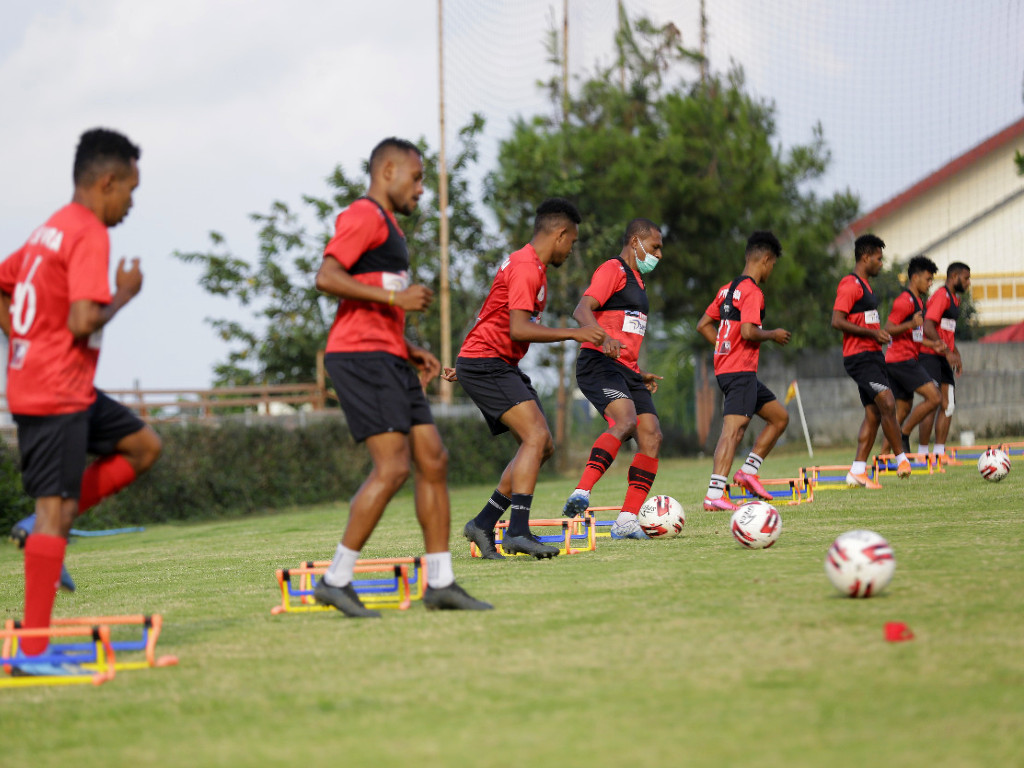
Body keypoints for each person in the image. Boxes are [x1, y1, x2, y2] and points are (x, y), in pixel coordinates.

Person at [0, 128, 163, 675]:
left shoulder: (51, 228)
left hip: (63, 385)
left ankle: (34, 528)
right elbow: (82, 319)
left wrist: (23, 340)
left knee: (143, 446)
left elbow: (4, 283)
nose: (131, 204)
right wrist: (125, 293)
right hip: (53, 390)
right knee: (56, 513)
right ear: (107, 181)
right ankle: (33, 650)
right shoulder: (89, 232)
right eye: (131, 192)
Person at [314, 137, 491, 616]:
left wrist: (410, 347)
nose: (420, 189)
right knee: (392, 469)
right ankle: (335, 578)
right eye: (416, 179)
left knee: (433, 458)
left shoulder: (390, 227)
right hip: (360, 358)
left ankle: (441, 582)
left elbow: (370, 294)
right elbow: (327, 276)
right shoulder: (364, 215)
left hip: (387, 354)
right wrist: (398, 302)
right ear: (387, 170)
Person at [444, 198, 606, 559]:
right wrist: (574, 334)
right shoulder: (526, 267)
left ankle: (484, 523)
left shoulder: (530, 266)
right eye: (573, 241)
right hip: (488, 362)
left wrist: (466, 359)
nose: (571, 248)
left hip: (491, 361)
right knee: (535, 437)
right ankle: (517, 530)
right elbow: (518, 328)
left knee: (541, 445)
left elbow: (492, 313)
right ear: (560, 234)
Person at [561, 218, 665, 539]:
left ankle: (626, 521)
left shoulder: (638, 280)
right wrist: (601, 337)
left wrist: (639, 370)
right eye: (655, 246)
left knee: (652, 436)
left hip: (628, 370)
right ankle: (581, 492)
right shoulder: (613, 269)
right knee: (626, 420)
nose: (659, 254)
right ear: (635, 241)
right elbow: (582, 310)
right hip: (599, 363)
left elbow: (627, 330)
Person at [695, 231, 791, 512]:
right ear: (766, 259)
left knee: (779, 418)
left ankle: (748, 471)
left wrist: (724, 345)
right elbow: (749, 331)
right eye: (773, 264)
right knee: (733, 431)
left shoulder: (726, 290)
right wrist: (773, 334)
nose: (772, 270)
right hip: (740, 371)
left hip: (731, 369)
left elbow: (703, 325)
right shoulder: (752, 291)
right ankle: (714, 493)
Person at [830, 234, 911, 488]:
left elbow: (864, 321)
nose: (881, 263)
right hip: (859, 357)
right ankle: (901, 459)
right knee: (887, 400)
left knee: (874, 414)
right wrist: (872, 333)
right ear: (865, 257)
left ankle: (857, 471)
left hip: (873, 355)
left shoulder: (866, 286)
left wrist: (878, 335)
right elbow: (837, 321)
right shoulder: (850, 284)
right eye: (878, 258)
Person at [880, 255, 943, 455]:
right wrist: (911, 324)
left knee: (903, 410)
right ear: (914, 278)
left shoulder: (918, 302)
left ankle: (882, 456)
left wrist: (933, 344)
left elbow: (913, 335)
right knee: (934, 398)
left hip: (900, 360)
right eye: (928, 278)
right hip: (901, 360)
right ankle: (905, 434)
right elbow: (888, 329)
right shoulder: (904, 301)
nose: (930, 283)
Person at [917, 261, 971, 464]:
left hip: (944, 356)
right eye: (966, 278)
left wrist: (955, 353)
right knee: (932, 402)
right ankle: (922, 455)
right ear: (954, 276)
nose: (968, 283)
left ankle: (939, 453)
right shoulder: (941, 296)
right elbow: (928, 324)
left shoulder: (954, 301)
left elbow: (946, 331)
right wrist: (947, 351)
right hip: (930, 355)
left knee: (948, 404)